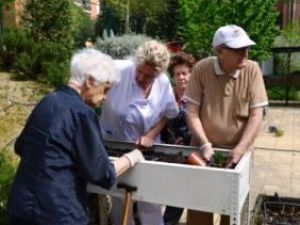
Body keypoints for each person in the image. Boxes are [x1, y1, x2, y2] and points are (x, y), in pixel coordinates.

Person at [7, 48, 144, 225]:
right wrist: (132, 157)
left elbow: (20, 146)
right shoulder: (82, 113)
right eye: (106, 89)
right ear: (89, 81)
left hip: (22, 208)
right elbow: (101, 174)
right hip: (58, 213)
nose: (105, 98)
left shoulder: (47, 101)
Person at [184, 25, 268, 225]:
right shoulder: (201, 69)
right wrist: (204, 144)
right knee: (200, 207)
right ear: (220, 51)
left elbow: (256, 115)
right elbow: (192, 111)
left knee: (233, 212)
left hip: (238, 153)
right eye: (238, 49)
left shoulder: (252, 70)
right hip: (202, 152)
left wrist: (239, 149)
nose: (245, 53)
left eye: (246, 48)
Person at [100, 40, 179, 225]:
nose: (141, 78)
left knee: (151, 201)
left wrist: (151, 135)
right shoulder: (118, 70)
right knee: (119, 198)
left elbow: (168, 114)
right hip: (115, 145)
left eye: (149, 76)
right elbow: (90, 87)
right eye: (140, 71)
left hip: (147, 150)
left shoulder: (163, 82)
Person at [162, 52, 196, 225]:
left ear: (191, 74)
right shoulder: (167, 94)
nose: (181, 77)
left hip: (189, 152)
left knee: (180, 190)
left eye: (184, 73)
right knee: (164, 187)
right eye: (177, 74)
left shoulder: (197, 96)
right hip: (167, 151)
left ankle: (169, 222)